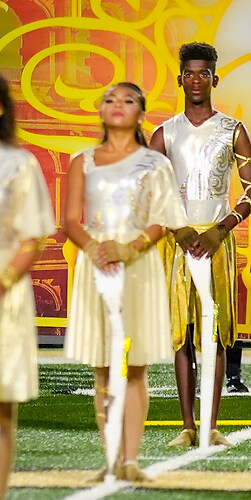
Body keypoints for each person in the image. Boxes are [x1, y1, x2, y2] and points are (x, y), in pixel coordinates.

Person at [63, 82, 187, 481]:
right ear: (100, 110)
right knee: (103, 367)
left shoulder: (156, 164)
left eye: (128, 100)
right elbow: (70, 220)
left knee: (134, 366)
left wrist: (129, 248)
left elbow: (162, 219)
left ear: (141, 113)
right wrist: (95, 249)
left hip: (138, 268)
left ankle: (131, 461)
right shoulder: (82, 161)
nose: (118, 105)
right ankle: (111, 459)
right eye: (110, 100)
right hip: (97, 267)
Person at [150, 42, 251, 446]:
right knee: (182, 334)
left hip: (217, 242)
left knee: (213, 332)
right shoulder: (164, 133)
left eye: (204, 73)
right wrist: (177, 229)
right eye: (189, 73)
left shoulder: (233, 130)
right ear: (180, 79)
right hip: (177, 242)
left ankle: (212, 426)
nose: (196, 80)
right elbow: (149, 191)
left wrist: (220, 229)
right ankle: (187, 426)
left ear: (215, 78)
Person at [0, 75, 54, 500]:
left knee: (1, 408)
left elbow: (31, 238)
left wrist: (2, 282)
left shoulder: (19, 164)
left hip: (4, 292)